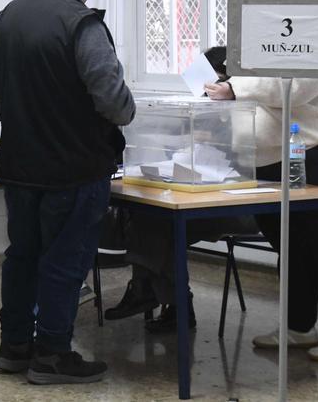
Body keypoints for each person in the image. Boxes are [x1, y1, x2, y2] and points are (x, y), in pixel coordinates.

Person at [0, 0, 135, 385]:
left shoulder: (9, 16)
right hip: (74, 170)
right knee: (65, 262)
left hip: (19, 168)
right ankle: (52, 354)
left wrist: (25, 124)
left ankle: (14, 347)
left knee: (22, 257)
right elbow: (114, 101)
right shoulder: (82, 24)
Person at [205, 0, 318, 361]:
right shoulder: (265, 44)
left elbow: (290, 90)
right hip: (277, 158)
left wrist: (234, 86)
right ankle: (299, 327)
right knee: (293, 246)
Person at [104, 46, 257, 333]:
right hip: (195, 197)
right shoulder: (201, 111)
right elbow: (171, 141)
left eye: (210, 89)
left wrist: (220, 135)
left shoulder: (246, 113)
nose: (206, 97)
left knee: (159, 224)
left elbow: (246, 167)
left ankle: (155, 295)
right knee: (151, 217)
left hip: (236, 205)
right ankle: (170, 303)